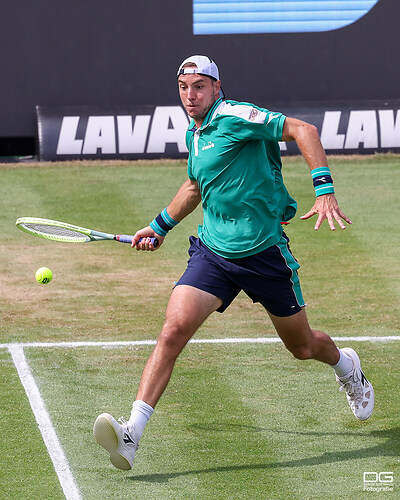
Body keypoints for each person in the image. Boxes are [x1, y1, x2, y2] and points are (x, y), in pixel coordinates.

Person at [93, 55, 374, 471]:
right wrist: (159, 226)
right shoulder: (196, 133)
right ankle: (132, 433)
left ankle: (347, 366)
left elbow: (304, 130)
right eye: (184, 87)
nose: (191, 95)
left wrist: (324, 188)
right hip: (214, 253)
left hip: (264, 254)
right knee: (173, 331)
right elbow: (194, 185)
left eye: (199, 86)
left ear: (217, 87)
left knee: (302, 347)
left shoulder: (238, 115)